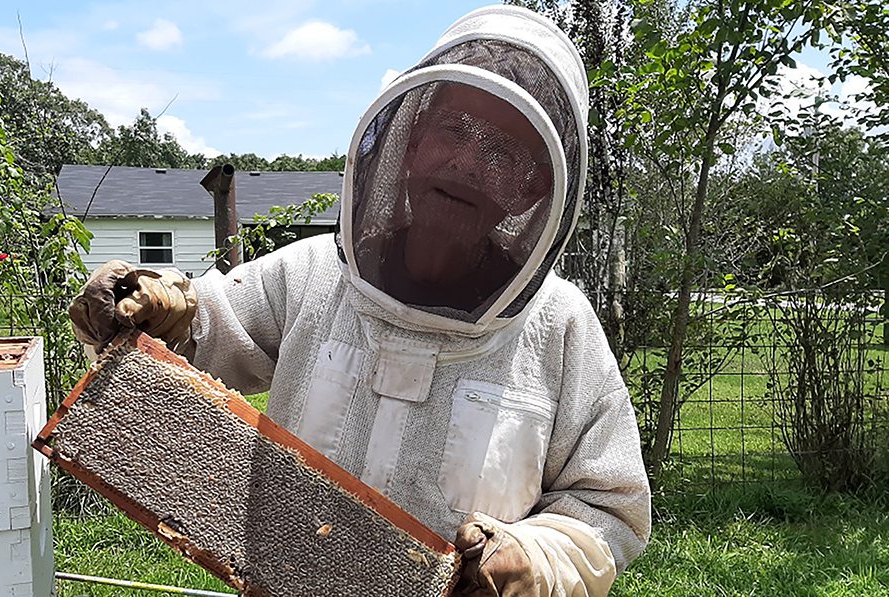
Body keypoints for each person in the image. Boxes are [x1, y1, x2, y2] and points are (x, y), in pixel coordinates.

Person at [69, 5, 650, 596]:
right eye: (454, 130)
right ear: (412, 138)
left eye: (504, 153)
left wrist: (534, 559)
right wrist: (157, 305)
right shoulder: (312, 273)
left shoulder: (562, 328)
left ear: (537, 187)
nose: (468, 162)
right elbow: (203, 330)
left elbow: (609, 509)